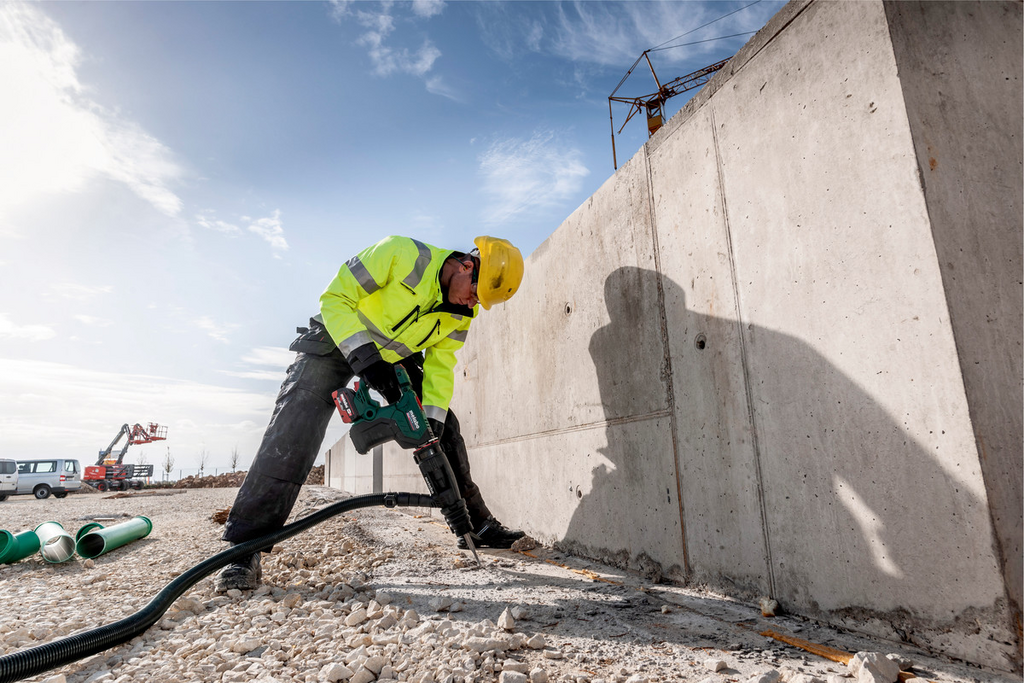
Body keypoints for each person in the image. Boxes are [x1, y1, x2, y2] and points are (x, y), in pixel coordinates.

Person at [216, 235, 526, 591]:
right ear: (467, 266)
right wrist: (364, 357)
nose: (474, 302)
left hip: (393, 358)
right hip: (336, 338)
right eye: (476, 292)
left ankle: (475, 524)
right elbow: (336, 298)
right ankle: (243, 550)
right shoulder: (402, 254)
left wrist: (432, 422)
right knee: (296, 425)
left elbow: (441, 366)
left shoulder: (462, 311)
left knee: (444, 428)